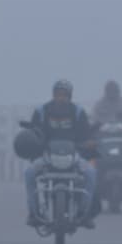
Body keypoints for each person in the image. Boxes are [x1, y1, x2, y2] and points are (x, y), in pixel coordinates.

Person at [24, 79, 97, 228]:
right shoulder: (42, 111)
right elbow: (33, 133)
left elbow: (87, 134)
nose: (61, 97)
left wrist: (89, 142)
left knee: (91, 173)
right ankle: (33, 212)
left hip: (74, 156)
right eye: (58, 94)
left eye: (64, 94)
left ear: (70, 96)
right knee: (29, 173)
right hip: (46, 157)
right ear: (53, 95)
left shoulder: (78, 112)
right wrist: (31, 143)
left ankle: (85, 213)